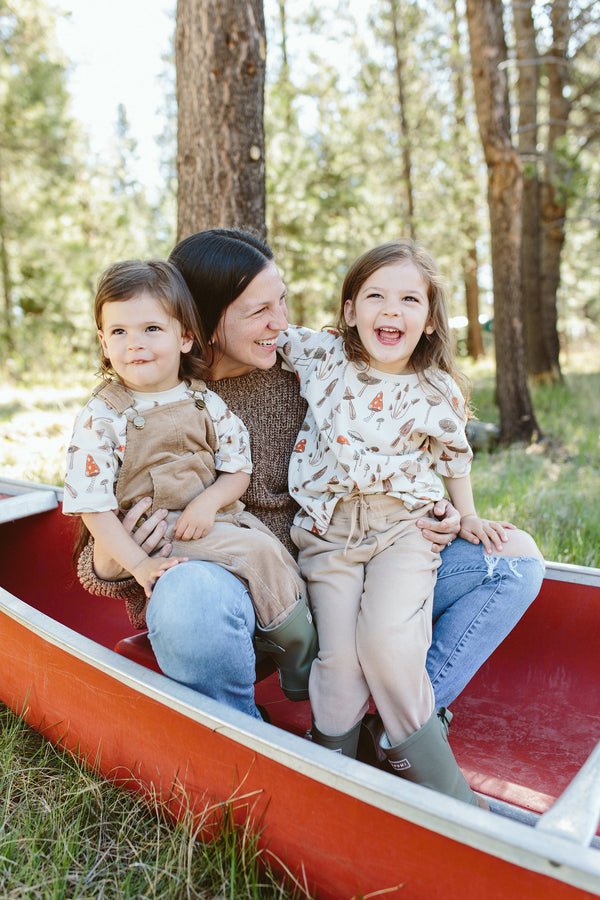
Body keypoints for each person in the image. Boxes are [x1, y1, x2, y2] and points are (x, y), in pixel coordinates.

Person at [76, 229, 544, 737]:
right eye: (259, 312)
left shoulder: (316, 369)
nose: (280, 323)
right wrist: (119, 561)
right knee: (189, 594)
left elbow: (395, 451)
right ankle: (246, 741)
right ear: (200, 324)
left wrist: (439, 509)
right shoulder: (150, 398)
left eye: (282, 301)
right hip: (250, 612)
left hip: (346, 570)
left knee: (515, 560)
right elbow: (93, 550)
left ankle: (390, 724)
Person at [278, 239, 515, 805]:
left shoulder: (437, 391)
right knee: (339, 665)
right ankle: (332, 786)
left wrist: (468, 515)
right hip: (328, 532)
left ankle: (449, 796)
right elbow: (255, 336)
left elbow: (455, 458)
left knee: (388, 646)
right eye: (375, 296)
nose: (391, 310)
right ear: (349, 311)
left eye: (410, 299)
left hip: (403, 528)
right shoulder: (321, 355)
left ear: (430, 319)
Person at [65, 258, 316, 702]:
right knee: (254, 554)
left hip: (211, 522)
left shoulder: (202, 400)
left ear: (186, 336)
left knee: (265, 552)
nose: (135, 344)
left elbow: (238, 466)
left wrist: (208, 503)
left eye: (151, 330)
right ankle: (290, 671)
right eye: (119, 332)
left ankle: (300, 661)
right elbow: (93, 507)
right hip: (156, 538)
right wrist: (137, 564)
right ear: (103, 343)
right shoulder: (101, 416)